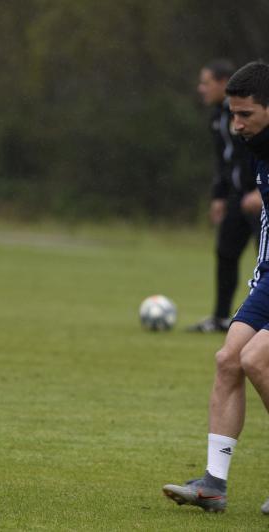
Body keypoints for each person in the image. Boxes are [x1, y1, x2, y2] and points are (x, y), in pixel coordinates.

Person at [163, 61, 269, 514]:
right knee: (229, 359)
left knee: (256, 359)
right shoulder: (257, 148)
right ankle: (213, 484)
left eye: (245, 114)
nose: (236, 124)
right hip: (268, 278)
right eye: (233, 113)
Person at [188, 59, 262, 333]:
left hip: (258, 195)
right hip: (235, 197)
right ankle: (220, 317)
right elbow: (223, 161)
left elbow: (256, 154)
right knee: (225, 252)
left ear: (223, 82)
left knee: (263, 259)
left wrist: (260, 190)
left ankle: (261, 321)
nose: (201, 88)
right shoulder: (219, 117)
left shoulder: (249, 114)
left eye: (206, 82)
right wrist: (218, 196)